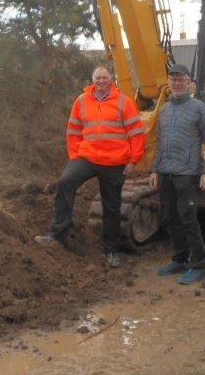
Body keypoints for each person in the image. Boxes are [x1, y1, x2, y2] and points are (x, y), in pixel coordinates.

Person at [35, 65, 145, 267]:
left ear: (110, 79)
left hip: (115, 161)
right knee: (65, 183)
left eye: (104, 77)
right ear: (92, 80)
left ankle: (111, 250)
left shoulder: (123, 102)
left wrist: (133, 160)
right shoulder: (81, 101)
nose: (101, 81)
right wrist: (75, 156)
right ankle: (57, 234)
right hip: (87, 157)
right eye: (98, 78)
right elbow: (73, 131)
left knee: (111, 207)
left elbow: (136, 133)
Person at [150, 64, 205, 285]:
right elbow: (160, 143)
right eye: (173, 80)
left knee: (187, 219)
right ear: (169, 83)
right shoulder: (164, 110)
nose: (177, 83)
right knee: (170, 218)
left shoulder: (199, 108)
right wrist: (154, 169)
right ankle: (180, 259)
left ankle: (198, 265)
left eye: (181, 80)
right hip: (165, 173)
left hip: (188, 173)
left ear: (189, 82)